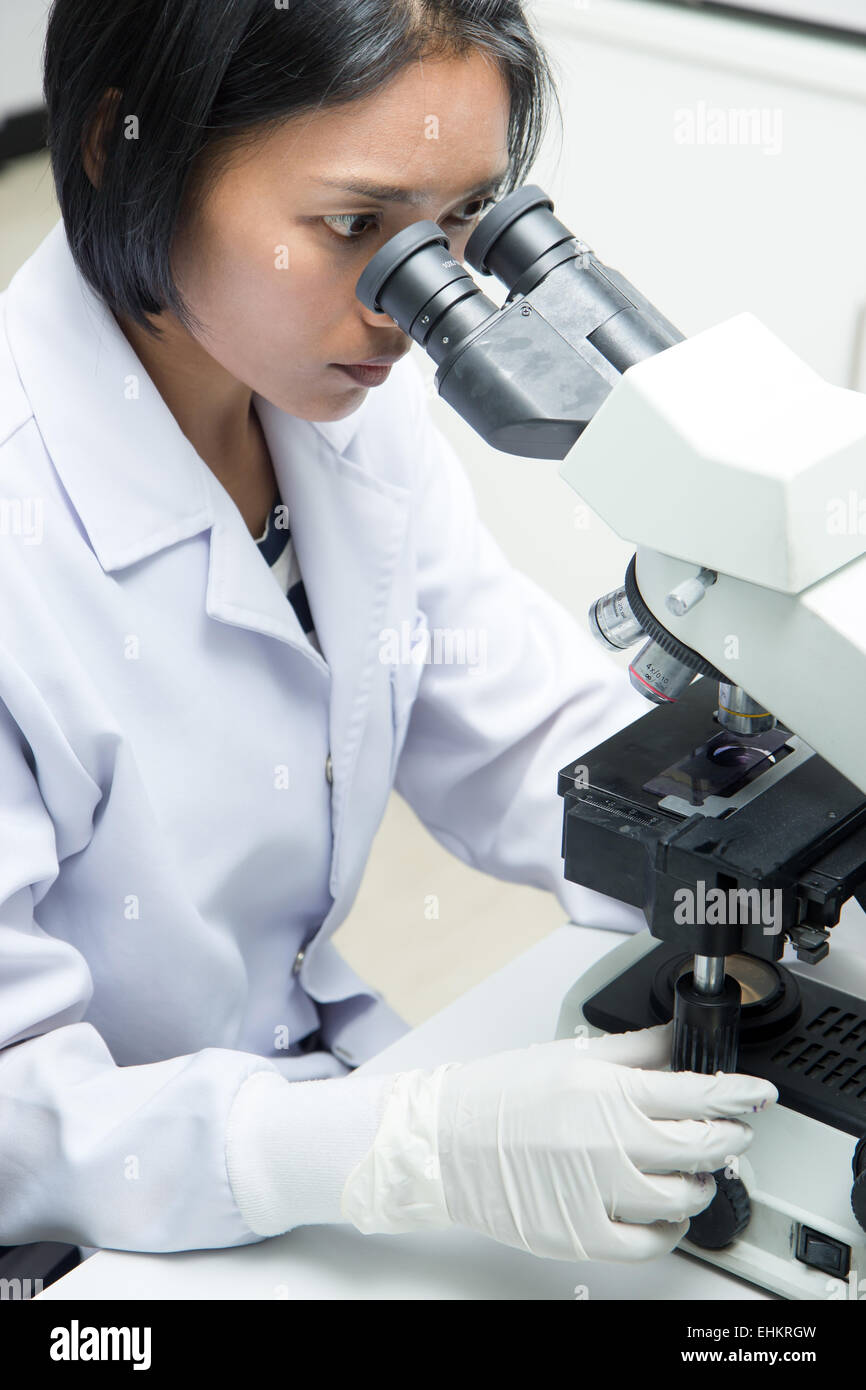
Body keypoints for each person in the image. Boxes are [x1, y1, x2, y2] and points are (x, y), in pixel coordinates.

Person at [0, 0, 776, 1274]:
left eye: (460, 227)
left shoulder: (336, 412)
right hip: (104, 1222)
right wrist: (405, 1144)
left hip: (299, 1104)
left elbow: (528, 734)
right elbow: (19, 1110)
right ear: (116, 149)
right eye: (355, 227)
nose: (412, 305)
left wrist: (742, 847)